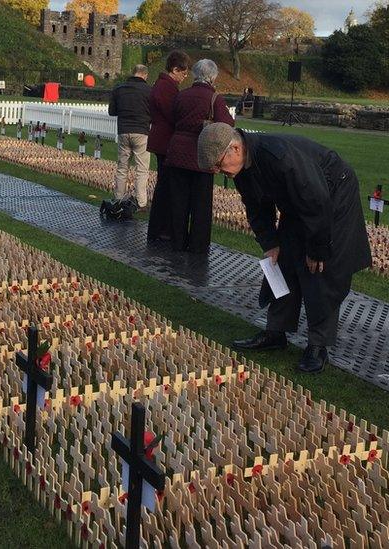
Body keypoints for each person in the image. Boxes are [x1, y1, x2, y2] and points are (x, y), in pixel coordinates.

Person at [198, 123, 371, 373]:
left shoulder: (280, 157)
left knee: (320, 270)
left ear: (235, 148)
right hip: (301, 202)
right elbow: (256, 207)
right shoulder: (241, 168)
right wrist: (271, 243)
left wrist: (317, 249)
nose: (218, 172)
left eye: (218, 164)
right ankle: (276, 332)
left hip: (333, 194)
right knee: (283, 261)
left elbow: (317, 202)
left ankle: (317, 345)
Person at [165, 59, 234, 253]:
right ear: (212, 77)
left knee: (178, 203)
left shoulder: (182, 95)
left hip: (178, 152)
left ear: (195, 74)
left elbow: (172, 118)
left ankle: (177, 242)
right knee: (201, 205)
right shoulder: (214, 98)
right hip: (201, 155)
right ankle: (198, 245)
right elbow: (227, 124)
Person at [146, 50, 190, 242]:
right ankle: (162, 228)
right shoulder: (166, 87)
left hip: (162, 139)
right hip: (165, 141)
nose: (185, 77)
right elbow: (173, 114)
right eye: (183, 73)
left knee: (165, 185)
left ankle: (161, 227)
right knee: (166, 187)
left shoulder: (164, 85)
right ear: (175, 69)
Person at [109, 64, 152, 209]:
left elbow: (112, 111)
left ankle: (118, 198)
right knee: (141, 169)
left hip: (123, 130)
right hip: (141, 131)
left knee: (122, 167)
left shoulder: (118, 88)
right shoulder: (149, 91)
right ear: (145, 75)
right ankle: (141, 202)